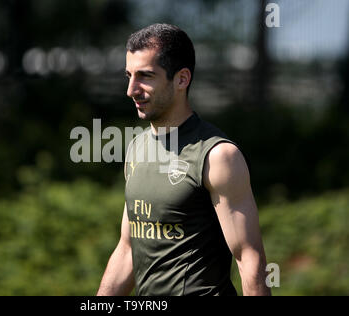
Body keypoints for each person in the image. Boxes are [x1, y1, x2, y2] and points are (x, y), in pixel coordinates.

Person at [96, 23, 271, 296]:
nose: (131, 89)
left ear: (181, 79)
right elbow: (128, 249)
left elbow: (250, 259)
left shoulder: (218, 155)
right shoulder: (136, 148)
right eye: (129, 75)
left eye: (145, 76)